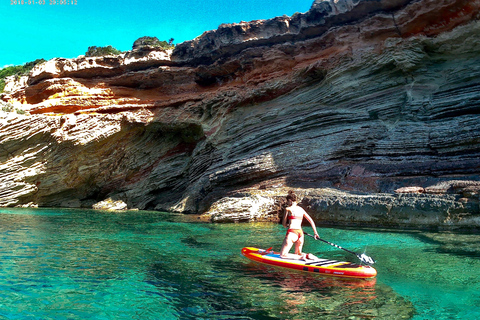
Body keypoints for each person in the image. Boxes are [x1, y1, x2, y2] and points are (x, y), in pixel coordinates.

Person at [280, 190, 320, 260]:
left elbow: (284, 224)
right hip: (300, 233)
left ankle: (302, 257)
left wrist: (286, 224)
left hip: (292, 232)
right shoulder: (301, 209)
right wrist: (315, 233)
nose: (287, 203)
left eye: (287, 201)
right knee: (297, 253)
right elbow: (311, 221)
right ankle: (307, 256)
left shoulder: (288, 209)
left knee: (283, 255)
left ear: (290, 200)